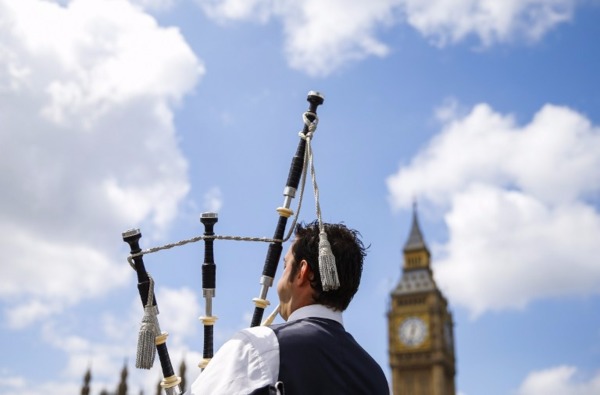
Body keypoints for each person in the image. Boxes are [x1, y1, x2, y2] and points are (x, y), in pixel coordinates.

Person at [190, 221, 389, 394]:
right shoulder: (376, 377)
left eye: (285, 266)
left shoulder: (260, 346)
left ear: (303, 271)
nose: (280, 280)